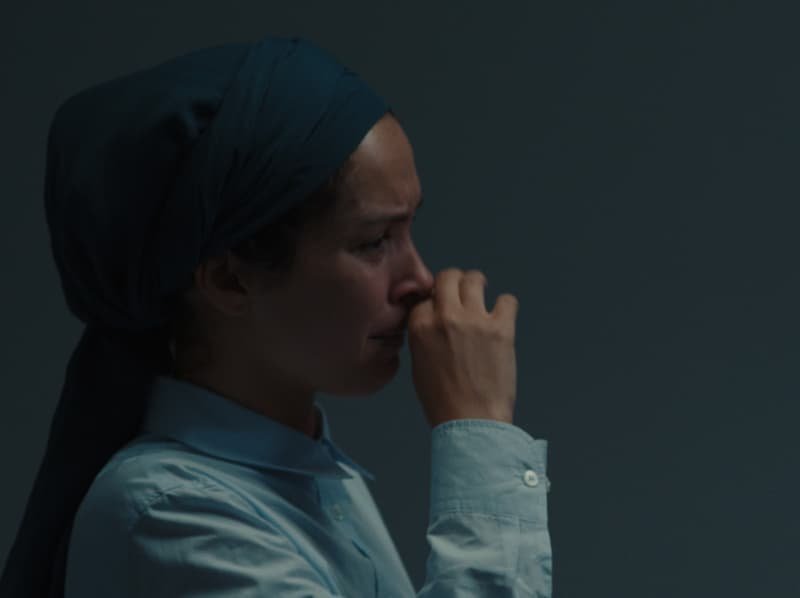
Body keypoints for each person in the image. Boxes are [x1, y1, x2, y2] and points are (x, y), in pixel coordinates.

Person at [0, 35, 552, 597]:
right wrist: (479, 429)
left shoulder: (311, 476)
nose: (422, 280)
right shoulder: (170, 513)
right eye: (374, 241)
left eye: (408, 229)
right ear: (228, 279)